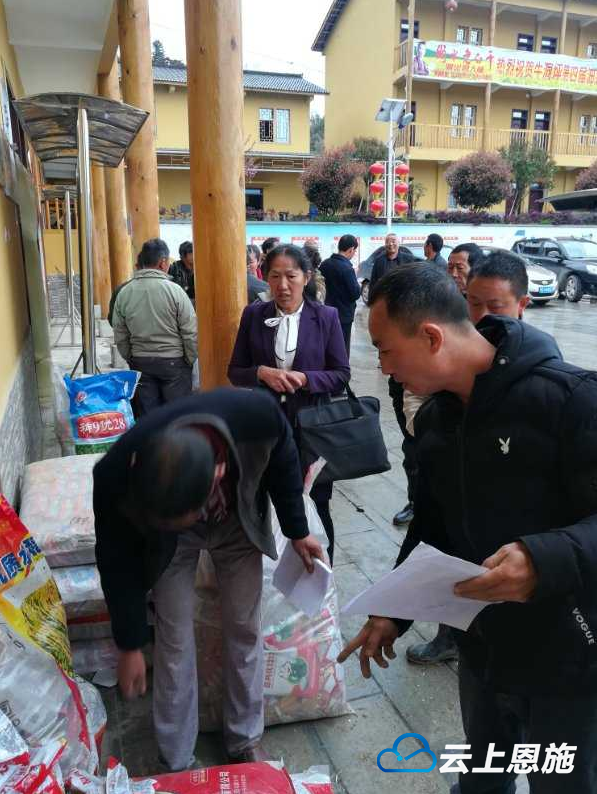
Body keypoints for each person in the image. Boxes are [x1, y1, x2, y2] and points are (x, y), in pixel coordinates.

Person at [340, 262, 597, 794]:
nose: (382, 367)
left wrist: (544, 558)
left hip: (567, 657)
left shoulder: (571, 400)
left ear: (432, 337)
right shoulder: (437, 421)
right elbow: (433, 526)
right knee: (482, 780)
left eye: (385, 350)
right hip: (482, 652)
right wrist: (394, 610)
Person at [94, 389, 324, 773]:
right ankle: (175, 758)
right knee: (174, 636)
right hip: (170, 543)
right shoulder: (116, 471)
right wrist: (130, 643)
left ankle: (244, 739)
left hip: (235, 521)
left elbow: (284, 456)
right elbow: (117, 561)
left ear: (217, 474)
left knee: (244, 626)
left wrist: (297, 529)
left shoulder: (258, 416)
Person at [404, 251, 540, 666]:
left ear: (522, 304)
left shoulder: (551, 390)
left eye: (494, 306)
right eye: (473, 304)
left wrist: (543, 557)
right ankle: (450, 634)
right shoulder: (449, 387)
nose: (480, 317)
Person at [228, 244, 350, 564]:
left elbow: (341, 374)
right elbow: (235, 371)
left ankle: (321, 574)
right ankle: (274, 570)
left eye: (291, 276)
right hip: (265, 427)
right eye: (275, 276)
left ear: (306, 277)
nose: (282, 286)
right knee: (267, 497)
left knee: (317, 502)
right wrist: (261, 373)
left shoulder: (326, 317)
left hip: (312, 429)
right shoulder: (254, 315)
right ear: (265, 277)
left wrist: (306, 379)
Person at [112, 238, 197, 416]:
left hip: (140, 361)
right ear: (163, 263)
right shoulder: (175, 291)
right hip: (174, 362)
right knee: (176, 418)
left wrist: (131, 357)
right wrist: (189, 359)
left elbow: (120, 332)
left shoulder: (125, 292)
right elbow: (190, 331)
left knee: (148, 419)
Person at [320, 234, 361, 356]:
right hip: (343, 316)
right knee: (342, 347)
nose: (354, 253)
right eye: (355, 251)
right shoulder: (347, 269)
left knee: (328, 345)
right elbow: (355, 293)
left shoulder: (325, 264)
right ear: (351, 249)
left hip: (326, 313)